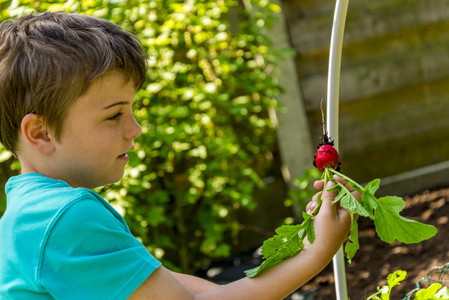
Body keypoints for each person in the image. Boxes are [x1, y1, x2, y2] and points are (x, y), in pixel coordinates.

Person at [0, 11, 360, 299]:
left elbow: (168, 284)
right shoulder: (67, 218)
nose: (135, 128)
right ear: (41, 133)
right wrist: (316, 252)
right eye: (114, 115)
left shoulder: (29, 217)